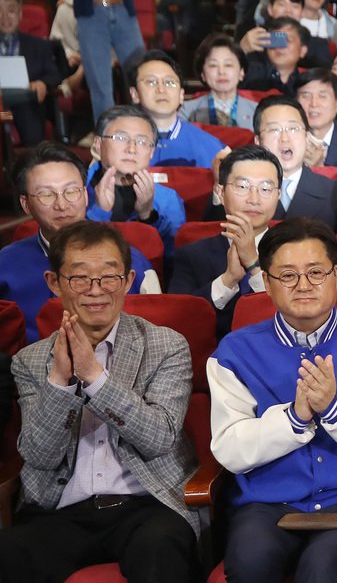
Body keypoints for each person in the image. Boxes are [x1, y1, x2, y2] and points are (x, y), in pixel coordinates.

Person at [207, 217, 337, 583]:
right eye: (287, 276)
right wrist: (294, 418)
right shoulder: (234, 353)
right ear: (267, 284)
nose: (303, 285)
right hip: (267, 504)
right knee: (249, 561)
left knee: (323, 567)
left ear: (336, 277)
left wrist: (336, 409)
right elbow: (229, 450)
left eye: (316, 272)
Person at [0, 221, 199, 583]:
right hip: (61, 511)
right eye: (79, 278)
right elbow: (41, 456)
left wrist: (94, 378)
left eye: (109, 277)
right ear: (54, 283)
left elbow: (158, 439)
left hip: (146, 504)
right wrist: (60, 382)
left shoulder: (166, 346)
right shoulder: (29, 361)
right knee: (9, 553)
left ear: (127, 281)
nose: (96, 291)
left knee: (160, 550)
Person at [0, 143, 160, 344]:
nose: (62, 205)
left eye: (71, 191)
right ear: (25, 204)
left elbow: (157, 338)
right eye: (46, 195)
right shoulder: (5, 265)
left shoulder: (131, 260)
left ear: (85, 195)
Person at [167, 145, 280, 336]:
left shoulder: (294, 251)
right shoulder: (193, 255)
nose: (254, 199)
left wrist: (254, 267)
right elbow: (177, 323)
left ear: (279, 195)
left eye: (265, 188)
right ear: (220, 193)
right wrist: (227, 280)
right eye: (243, 187)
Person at [85, 105, 187, 254]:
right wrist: (98, 213)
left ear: (151, 152)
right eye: (120, 138)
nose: (131, 149)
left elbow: (173, 259)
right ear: (98, 145)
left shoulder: (169, 199)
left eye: (142, 142)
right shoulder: (75, 192)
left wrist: (148, 215)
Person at [251, 96, 337, 229]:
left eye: (293, 129)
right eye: (274, 130)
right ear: (258, 141)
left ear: (306, 137)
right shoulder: (241, 193)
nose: (284, 139)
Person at [127, 51, 230, 169]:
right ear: (134, 94)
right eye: (151, 82)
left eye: (169, 82)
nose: (161, 89)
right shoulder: (120, 145)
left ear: (181, 95)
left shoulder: (214, 149)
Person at [0, 0, 63, 145]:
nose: (5, 17)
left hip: (25, 101)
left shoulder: (38, 45)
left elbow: (54, 73)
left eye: (11, 11)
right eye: (0, 11)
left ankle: (32, 161)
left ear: (20, 15)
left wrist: (43, 83)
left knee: (29, 113)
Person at [182, 34, 258, 128]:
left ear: (241, 72)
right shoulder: (186, 111)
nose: (221, 72)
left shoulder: (257, 111)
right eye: (213, 65)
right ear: (203, 74)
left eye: (228, 65)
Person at [243, 17, 309, 95]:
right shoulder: (248, 73)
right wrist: (242, 49)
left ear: (302, 51)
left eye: (287, 40)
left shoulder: (308, 81)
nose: (280, 47)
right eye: (275, 40)